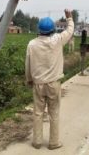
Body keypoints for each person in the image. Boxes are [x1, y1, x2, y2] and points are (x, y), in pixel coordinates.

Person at [25, 9, 74, 150]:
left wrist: (29, 79)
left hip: (38, 84)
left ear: (39, 30)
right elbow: (69, 31)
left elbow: (28, 64)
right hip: (54, 83)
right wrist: (69, 18)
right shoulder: (57, 40)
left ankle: (37, 142)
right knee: (54, 113)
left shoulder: (32, 44)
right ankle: (53, 143)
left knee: (38, 113)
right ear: (53, 30)